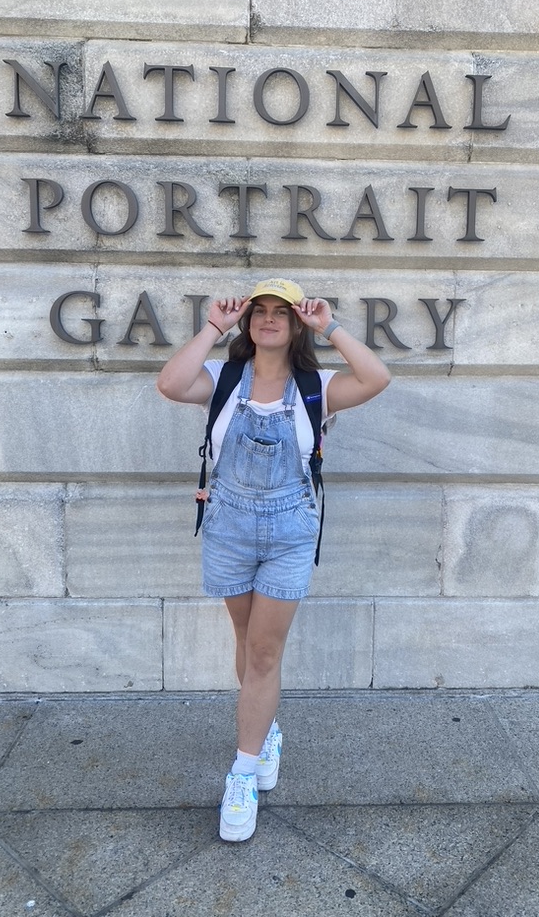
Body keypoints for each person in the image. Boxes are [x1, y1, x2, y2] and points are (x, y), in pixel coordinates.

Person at [156, 277, 391, 842]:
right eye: (258, 311)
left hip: (289, 530)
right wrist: (212, 325)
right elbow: (170, 382)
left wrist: (329, 325)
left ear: (293, 323)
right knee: (246, 644)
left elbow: (377, 378)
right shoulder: (224, 379)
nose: (267, 320)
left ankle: (242, 772)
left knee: (263, 653)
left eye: (279, 312)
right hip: (228, 527)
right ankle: (265, 731)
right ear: (247, 323)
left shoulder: (317, 386)